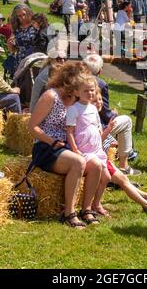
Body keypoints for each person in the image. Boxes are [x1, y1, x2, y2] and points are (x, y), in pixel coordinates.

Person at [28, 61, 103, 229]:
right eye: (81, 79)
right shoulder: (51, 96)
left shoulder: (77, 99)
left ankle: (87, 209)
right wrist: (51, 141)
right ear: (70, 80)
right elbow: (32, 126)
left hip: (68, 147)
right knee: (78, 162)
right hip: (47, 148)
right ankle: (69, 213)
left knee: (96, 165)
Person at [92, 91, 147, 216]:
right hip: (97, 158)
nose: (100, 102)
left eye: (100, 99)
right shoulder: (90, 118)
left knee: (123, 179)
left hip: (100, 157)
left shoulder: (95, 116)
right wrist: (109, 131)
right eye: (95, 101)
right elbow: (95, 141)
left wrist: (109, 136)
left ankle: (146, 198)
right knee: (122, 179)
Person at [83, 54, 140, 175]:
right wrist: (113, 113)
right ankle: (124, 165)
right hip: (96, 126)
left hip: (82, 126)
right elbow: (103, 112)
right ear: (100, 70)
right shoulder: (100, 83)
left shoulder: (77, 80)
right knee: (127, 121)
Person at [66, 75, 110, 223]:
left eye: (92, 90)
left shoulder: (93, 108)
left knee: (107, 178)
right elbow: (70, 132)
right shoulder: (74, 109)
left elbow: (97, 128)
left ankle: (94, 204)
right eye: (86, 91)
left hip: (96, 150)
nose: (90, 93)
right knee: (97, 168)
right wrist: (75, 149)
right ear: (77, 92)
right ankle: (87, 208)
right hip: (84, 150)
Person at [7, 4, 38, 72]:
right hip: (20, 61)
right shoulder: (16, 28)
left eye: (24, 14)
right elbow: (13, 50)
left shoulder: (35, 25)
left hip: (35, 59)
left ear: (28, 13)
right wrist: (10, 44)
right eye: (19, 16)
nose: (23, 17)